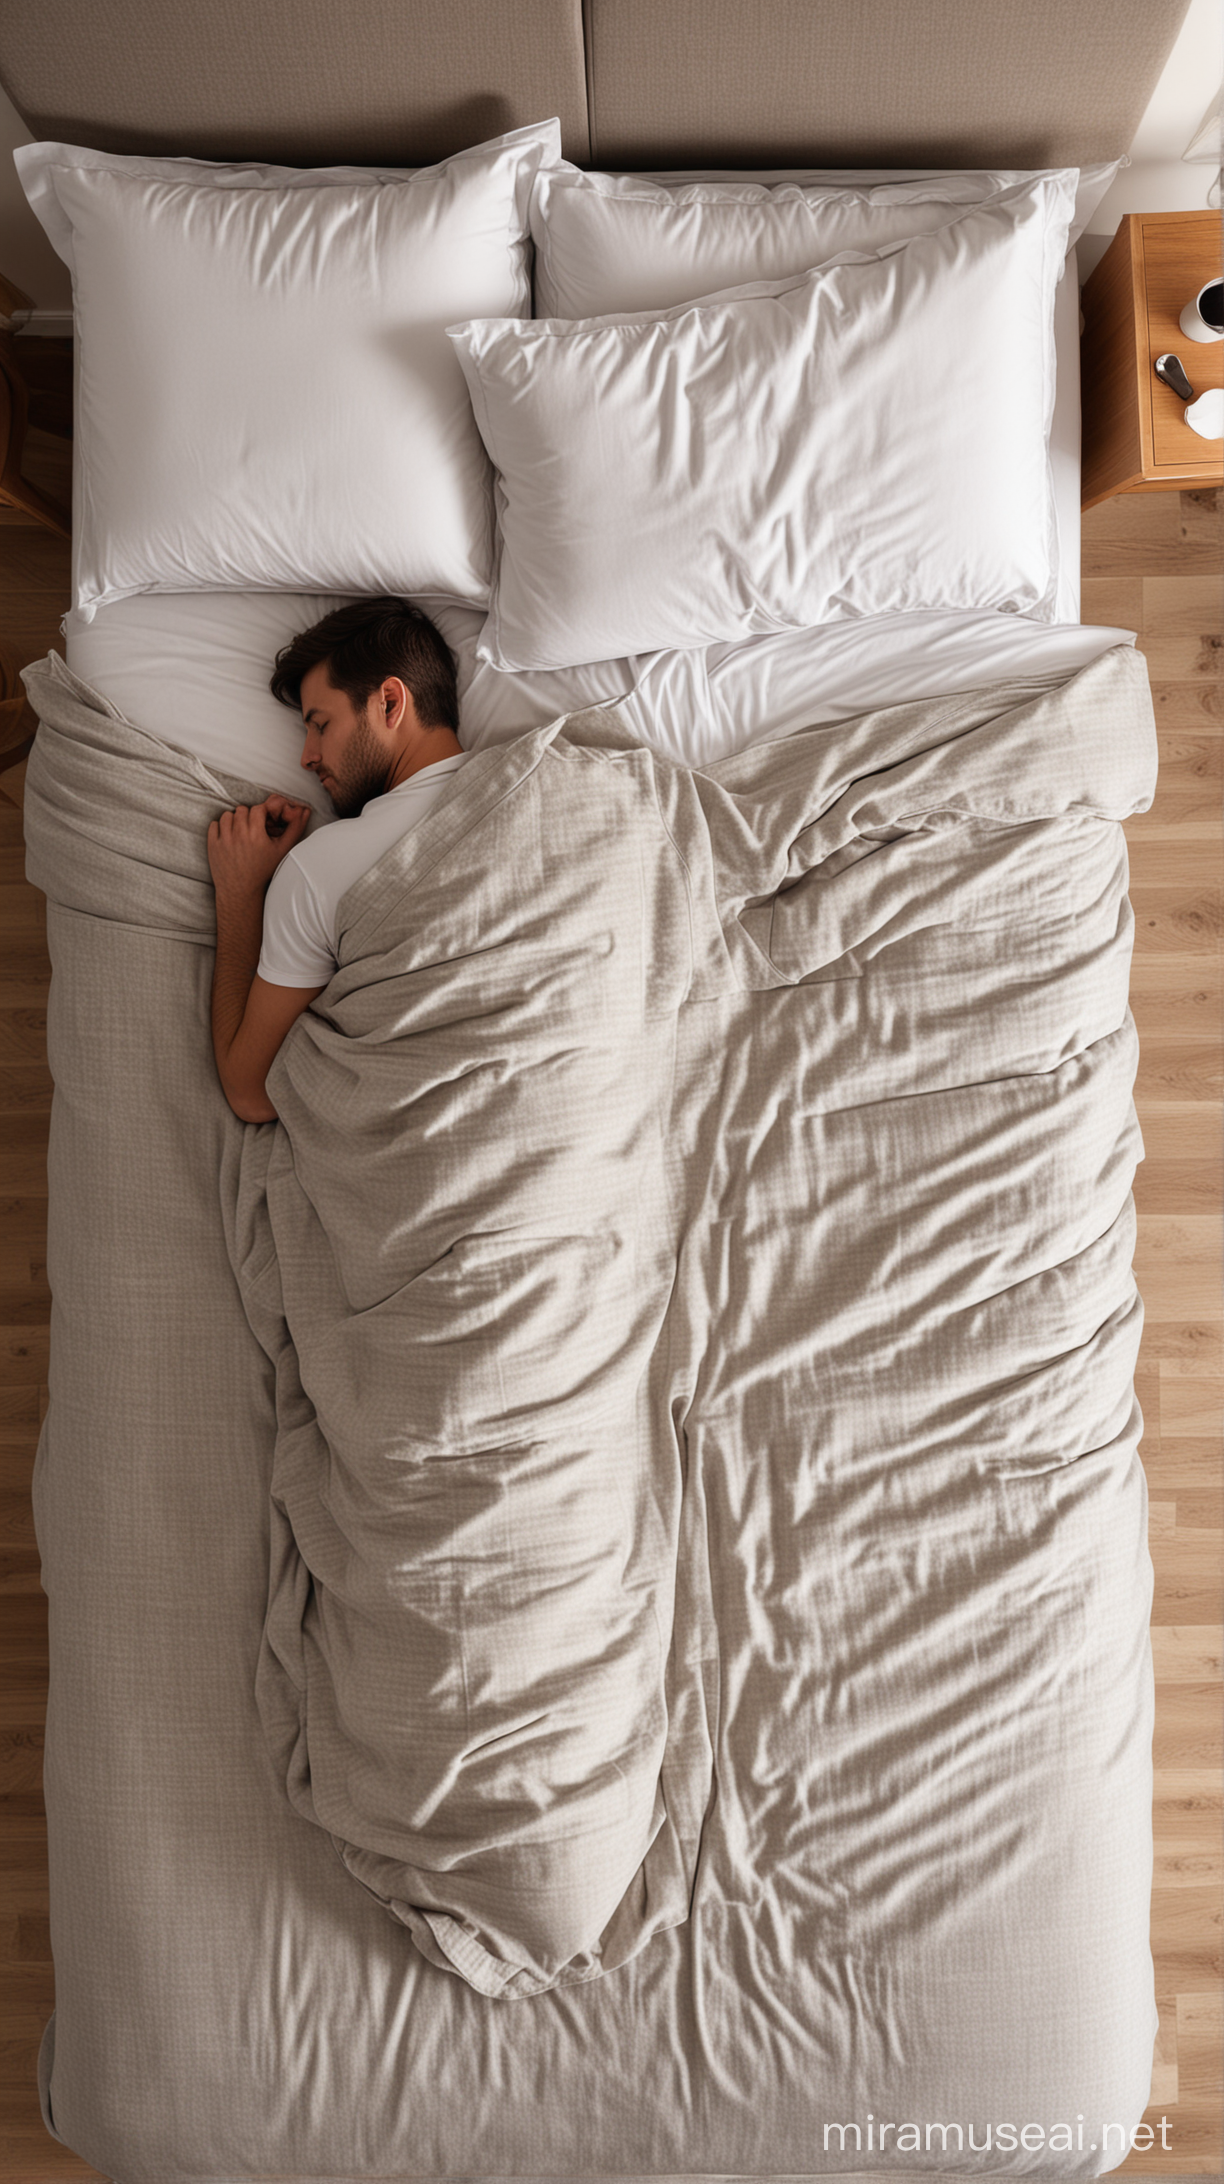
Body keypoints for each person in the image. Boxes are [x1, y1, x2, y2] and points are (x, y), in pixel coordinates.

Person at [206, 597, 466, 1123]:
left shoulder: (322, 866)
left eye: (320, 724)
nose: (307, 756)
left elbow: (251, 1094)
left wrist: (238, 895)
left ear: (390, 703)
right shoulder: (560, 782)